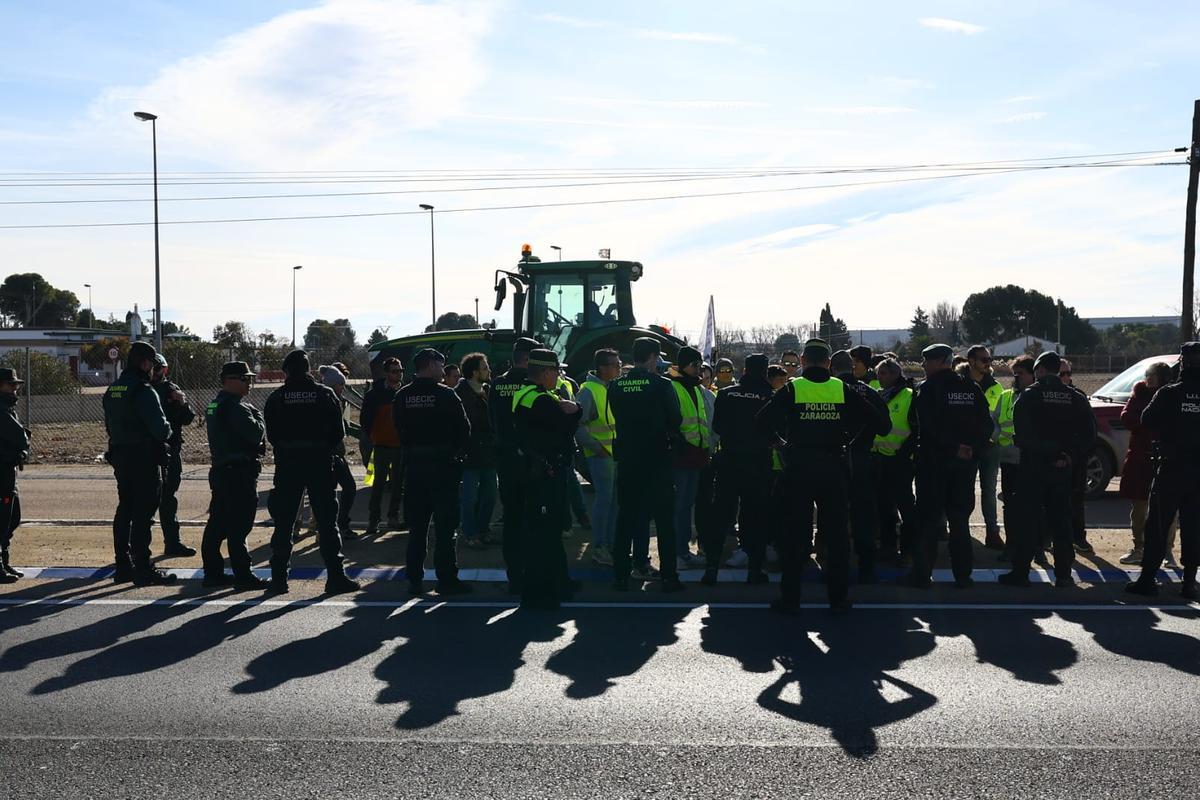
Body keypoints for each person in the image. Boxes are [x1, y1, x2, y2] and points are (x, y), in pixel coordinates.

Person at [757, 338, 889, 613]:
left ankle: (791, 599)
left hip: (799, 467)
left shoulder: (793, 388)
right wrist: (849, 440)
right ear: (829, 363)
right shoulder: (841, 388)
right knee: (837, 536)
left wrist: (780, 444)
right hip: (834, 468)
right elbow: (879, 423)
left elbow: (761, 421)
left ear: (803, 362)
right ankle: (838, 599)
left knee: (795, 535)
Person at [264, 350, 359, 596]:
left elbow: (272, 435)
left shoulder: (277, 397)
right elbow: (338, 434)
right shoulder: (325, 395)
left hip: (289, 465)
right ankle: (335, 577)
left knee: (284, 522)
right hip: (319, 463)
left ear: (286, 371)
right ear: (307, 369)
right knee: (327, 522)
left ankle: (278, 579)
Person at [999, 351, 1096, 588]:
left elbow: (1022, 436)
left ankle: (1020, 572)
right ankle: (1063, 574)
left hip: (1033, 467)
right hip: (1063, 470)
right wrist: (1067, 456)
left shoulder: (1029, 396)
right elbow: (1089, 436)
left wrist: (1049, 453)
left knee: (1028, 520)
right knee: (1061, 522)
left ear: (1039, 370)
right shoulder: (1075, 397)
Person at [899, 343, 992, 589]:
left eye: (925, 360)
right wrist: (970, 448)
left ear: (940, 362)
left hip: (934, 464)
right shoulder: (971, 388)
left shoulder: (928, 389)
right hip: (964, 465)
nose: (922, 365)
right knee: (960, 521)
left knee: (929, 521)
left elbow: (927, 428)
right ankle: (963, 576)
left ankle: (921, 575)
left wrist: (954, 448)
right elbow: (987, 426)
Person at [393, 348, 472, 596]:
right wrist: (455, 453)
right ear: (429, 365)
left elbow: (399, 430)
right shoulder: (447, 395)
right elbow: (464, 430)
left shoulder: (403, 396)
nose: (443, 369)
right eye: (440, 364)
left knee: (417, 528)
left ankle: (414, 579)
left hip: (415, 467)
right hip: (443, 468)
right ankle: (446, 579)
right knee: (446, 527)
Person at [609, 337, 685, 593]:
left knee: (625, 519)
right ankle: (669, 577)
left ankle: (620, 576)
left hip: (629, 461)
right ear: (653, 357)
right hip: (657, 461)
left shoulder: (616, 386)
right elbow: (676, 419)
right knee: (664, 522)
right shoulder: (662, 385)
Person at [1125, 342, 1200, 600]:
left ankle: (1147, 580)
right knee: (1193, 527)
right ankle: (1189, 582)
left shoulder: (1170, 393)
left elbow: (1147, 419)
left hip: (1171, 468)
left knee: (1158, 524)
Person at [514, 348, 583, 609]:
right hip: (544, 473)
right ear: (544, 373)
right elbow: (565, 429)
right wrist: (576, 410)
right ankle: (542, 590)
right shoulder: (539, 400)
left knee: (546, 531)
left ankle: (558, 583)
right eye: (556, 371)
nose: (559, 376)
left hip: (539, 470)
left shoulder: (533, 395)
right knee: (545, 533)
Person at [103, 341, 176, 586]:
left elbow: (109, 424)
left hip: (121, 455)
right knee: (144, 514)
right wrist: (167, 430)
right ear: (145, 363)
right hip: (144, 458)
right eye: (152, 364)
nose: (153, 370)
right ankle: (143, 568)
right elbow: (161, 429)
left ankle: (123, 565)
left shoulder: (113, 389)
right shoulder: (144, 390)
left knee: (125, 509)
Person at [704, 353, 773, 585]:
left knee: (721, 515)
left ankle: (711, 567)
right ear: (764, 372)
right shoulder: (769, 396)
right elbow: (776, 431)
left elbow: (718, 426)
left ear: (744, 371)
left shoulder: (726, 394)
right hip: (758, 463)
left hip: (729, 461)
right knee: (755, 516)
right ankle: (754, 569)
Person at [200, 362, 269, 590]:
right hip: (238, 474)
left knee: (217, 524)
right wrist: (258, 417)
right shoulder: (237, 408)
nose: (249, 383)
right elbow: (255, 433)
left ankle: (213, 573)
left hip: (221, 471)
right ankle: (243, 575)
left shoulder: (215, 404)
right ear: (230, 380)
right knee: (239, 526)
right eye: (245, 379)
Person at [832, 349, 890, 583]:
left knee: (834, 516)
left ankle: (835, 565)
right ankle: (866, 566)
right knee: (863, 516)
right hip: (862, 459)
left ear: (832, 369)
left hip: (833, 460)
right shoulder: (868, 392)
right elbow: (884, 427)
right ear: (853, 368)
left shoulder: (827, 392)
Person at [490, 337, 541, 593]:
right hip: (531, 460)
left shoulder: (498, 384)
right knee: (533, 519)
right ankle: (531, 572)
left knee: (511, 520)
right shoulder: (532, 385)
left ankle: (514, 575)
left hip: (506, 459)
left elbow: (493, 422)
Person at [1118, 362, 1177, 565]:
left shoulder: (1173, 395)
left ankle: (1166, 551)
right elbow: (1127, 417)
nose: (1147, 378)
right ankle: (1139, 548)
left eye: (1151, 375)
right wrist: (1148, 421)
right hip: (1140, 460)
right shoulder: (1139, 394)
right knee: (1140, 508)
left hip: (1166, 460)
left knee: (1167, 509)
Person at [576, 348, 621, 566]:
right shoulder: (589, 390)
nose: (619, 367)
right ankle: (601, 547)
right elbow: (578, 427)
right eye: (615, 364)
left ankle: (608, 544)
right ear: (603, 368)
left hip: (611, 455)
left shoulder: (608, 387)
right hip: (601, 455)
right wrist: (597, 448)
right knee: (605, 501)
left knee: (612, 501)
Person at [150, 353, 197, 557]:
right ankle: (139, 547)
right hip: (150, 451)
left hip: (169, 450)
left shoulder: (170, 389)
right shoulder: (142, 389)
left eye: (158, 368)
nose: (155, 372)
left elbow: (188, 418)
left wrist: (182, 402)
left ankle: (172, 542)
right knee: (149, 499)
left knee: (168, 497)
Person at [871, 357, 916, 565]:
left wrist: (903, 453)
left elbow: (915, 430)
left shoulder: (909, 395)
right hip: (881, 458)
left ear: (896, 375)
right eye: (879, 373)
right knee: (884, 507)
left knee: (905, 505)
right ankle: (888, 547)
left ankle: (908, 548)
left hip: (901, 460)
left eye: (885, 373)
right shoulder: (880, 395)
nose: (880, 377)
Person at [669, 346, 710, 569]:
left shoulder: (695, 388)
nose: (699, 371)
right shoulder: (674, 386)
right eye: (695, 366)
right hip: (682, 456)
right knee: (679, 506)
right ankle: (678, 552)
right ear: (683, 365)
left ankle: (682, 551)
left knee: (686, 506)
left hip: (696, 455)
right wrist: (681, 445)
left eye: (700, 366)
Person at [993, 355, 1036, 560]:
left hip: (1032, 460)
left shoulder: (1037, 396)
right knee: (1010, 505)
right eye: (1015, 374)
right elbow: (994, 423)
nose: (1016, 378)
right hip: (1009, 459)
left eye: (1021, 374)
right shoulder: (1006, 395)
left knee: (1032, 506)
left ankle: (1035, 549)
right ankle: (1011, 546)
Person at [455, 352, 497, 549]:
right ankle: (470, 533)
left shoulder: (488, 390)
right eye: (484, 367)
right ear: (474, 373)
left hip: (488, 454)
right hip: (470, 455)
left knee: (490, 495)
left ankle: (483, 529)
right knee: (469, 498)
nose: (488, 370)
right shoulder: (460, 394)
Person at [360, 357, 404, 535]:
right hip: (381, 446)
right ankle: (373, 520)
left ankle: (393, 517)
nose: (398, 374)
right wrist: (375, 436)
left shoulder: (404, 392)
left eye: (400, 371)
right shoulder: (374, 395)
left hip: (400, 446)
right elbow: (365, 420)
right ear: (386, 373)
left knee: (397, 485)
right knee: (378, 485)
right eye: (394, 371)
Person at [1056, 359, 1095, 554]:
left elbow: (1090, 430)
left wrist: (1077, 454)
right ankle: (1051, 538)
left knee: (1076, 500)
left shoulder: (1078, 396)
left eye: (1068, 373)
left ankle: (1079, 538)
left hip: (1076, 458)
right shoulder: (1047, 396)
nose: (1066, 377)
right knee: (1053, 501)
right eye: (1061, 374)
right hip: (1053, 458)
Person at [319, 364, 358, 540]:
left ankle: (340, 524)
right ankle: (328, 528)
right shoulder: (324, 401)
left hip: (337, 453)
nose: (343, 388)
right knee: (330, 493)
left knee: (348, 488)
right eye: (340, 385)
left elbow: (345, 427)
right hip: (327, 454)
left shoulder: (339, 401)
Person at [0, 368, 29, 583]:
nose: (15, 388)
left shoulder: (8, 407)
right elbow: (20, 436)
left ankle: (4, 560)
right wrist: (23, 441)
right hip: (1, 469)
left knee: (12, 517)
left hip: (8, 469)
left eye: (15, 384)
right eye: (10, 384)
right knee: (3, 518)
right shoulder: (2, 409)